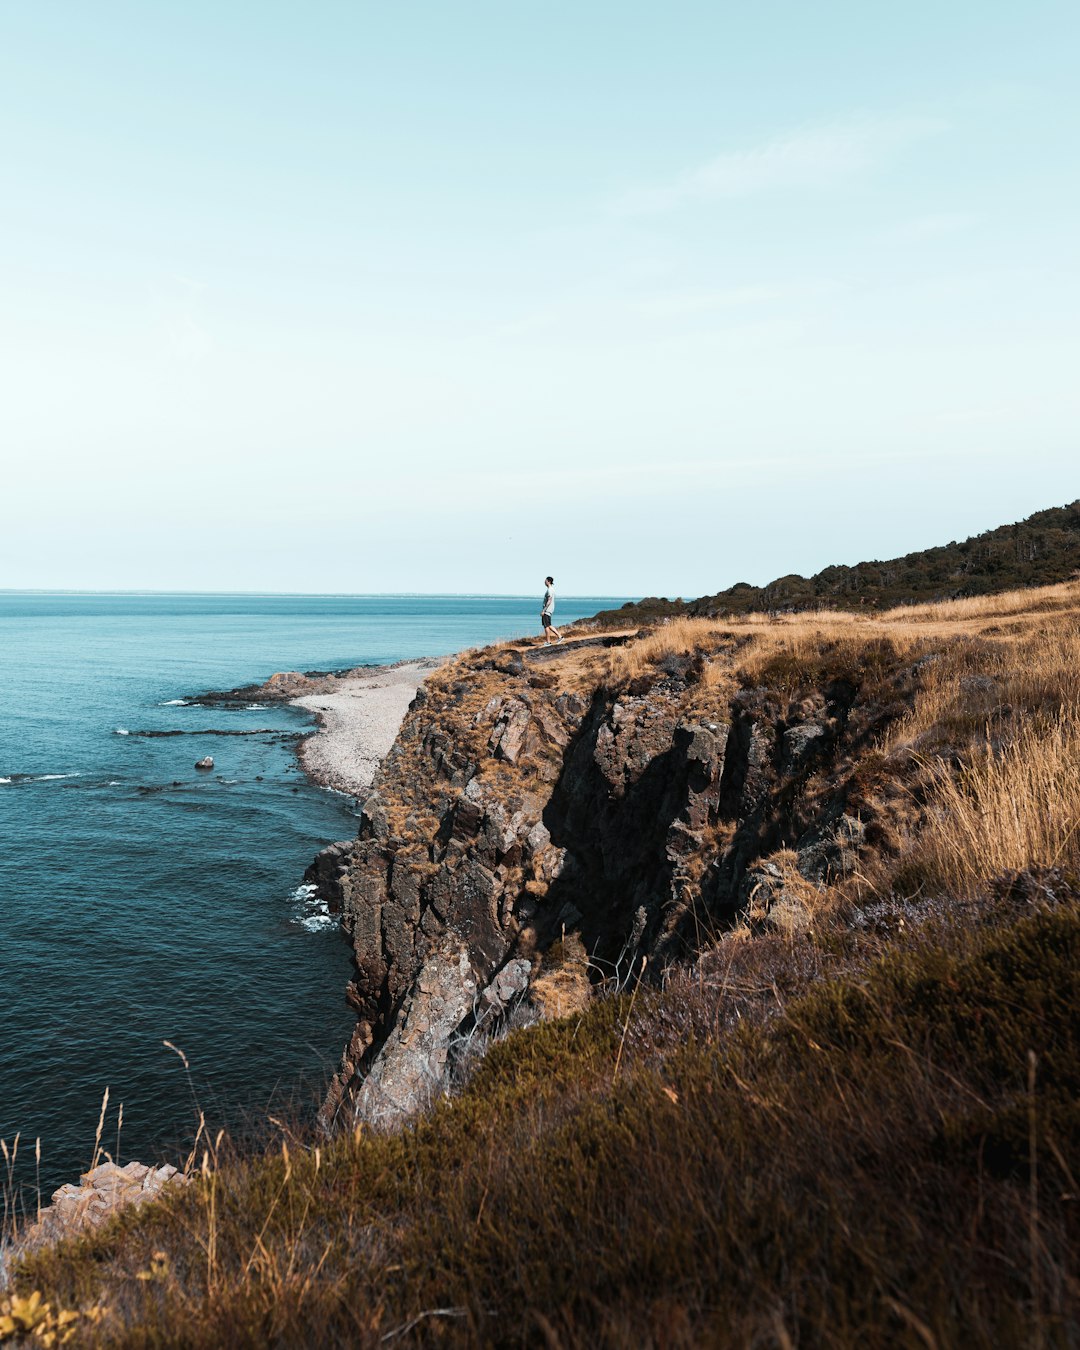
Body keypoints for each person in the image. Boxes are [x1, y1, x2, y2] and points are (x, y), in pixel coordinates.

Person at [541, 576, 561, 644]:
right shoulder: (552, 589)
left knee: (546, 626)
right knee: (548, 625)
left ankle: (548, 642)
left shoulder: (550, 590)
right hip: (549, 610)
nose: (544, 582)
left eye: (545, 580)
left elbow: (549, 601)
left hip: (547, 610)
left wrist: (544, 610)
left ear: (548, 581)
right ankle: (559, 637)